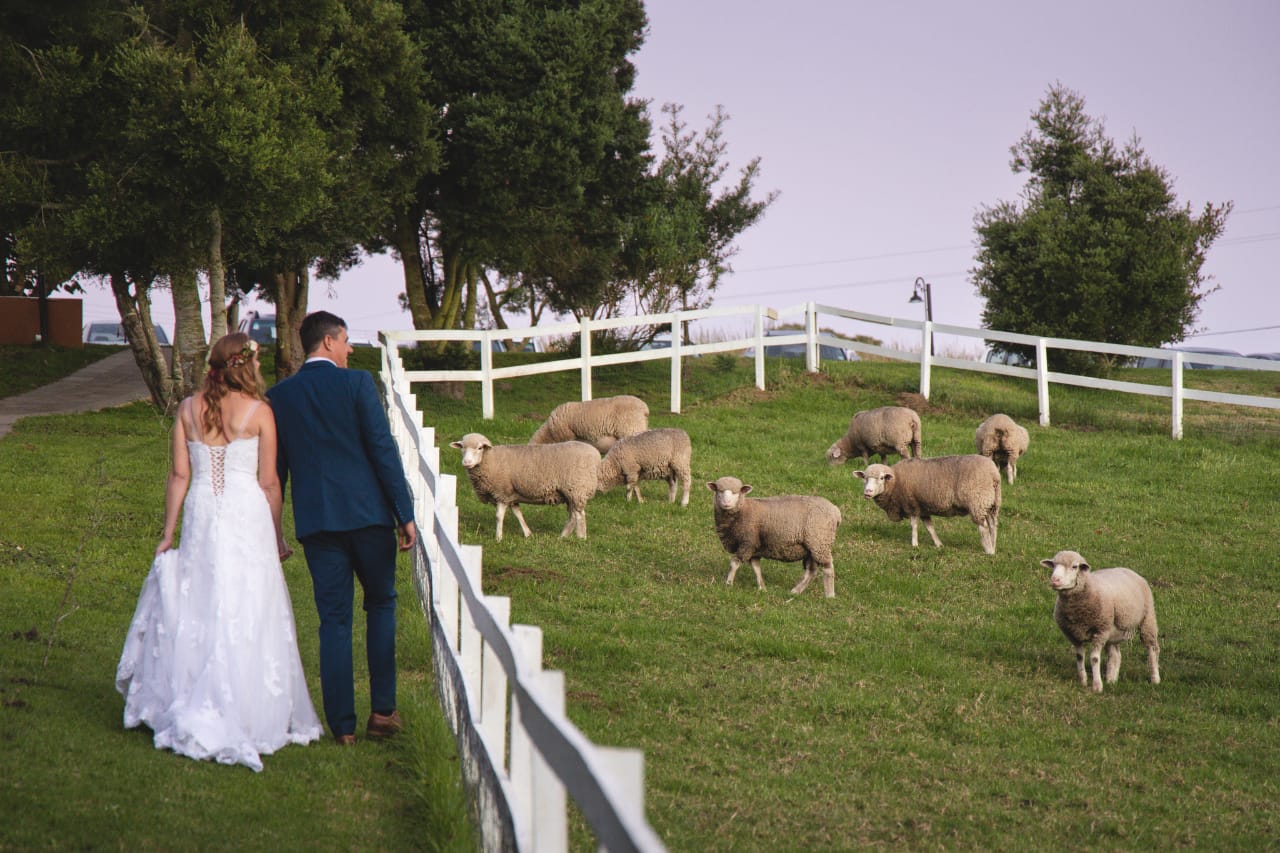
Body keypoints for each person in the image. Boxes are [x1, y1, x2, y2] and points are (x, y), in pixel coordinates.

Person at [116, 332, 323, 772]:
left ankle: (194, 693)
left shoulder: (188, 409)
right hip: (245, 514)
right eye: (258, 362)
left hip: (204, 513)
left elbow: (178, 476)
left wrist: (169, 532)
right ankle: (246, 705)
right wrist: (278, 535)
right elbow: (269, 484)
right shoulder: (261, 412)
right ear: (245, 366)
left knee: (202, 599)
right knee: (248, 602)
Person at [266, 311, 417, 746]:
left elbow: (276, 473)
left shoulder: (282, 396)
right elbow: (382, 451)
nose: (351, 349)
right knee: (381, 605)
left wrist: (276, 531)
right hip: (369, 517)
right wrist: (403, 512)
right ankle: (383, 713)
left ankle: (343, 728)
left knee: (333, 620)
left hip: (317, 523)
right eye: (347, 340)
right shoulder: (356, 385)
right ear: (329, 342)